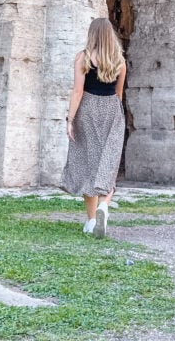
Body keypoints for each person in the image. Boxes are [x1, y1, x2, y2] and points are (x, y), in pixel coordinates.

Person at [61, 17, 126, 238]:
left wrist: (70, 119)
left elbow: (77, 91)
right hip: (112, 111)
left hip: (88, 109)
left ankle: (90, 221)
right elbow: (119, 93)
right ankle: (104, 206)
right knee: (109, 164)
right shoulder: (120, 61)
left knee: (88, 164)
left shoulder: (83, 58)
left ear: (92, 34)